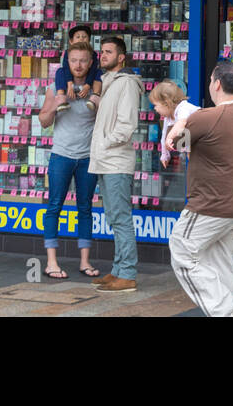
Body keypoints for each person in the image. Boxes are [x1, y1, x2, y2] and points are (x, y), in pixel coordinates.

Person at [165, 60, 233, 317]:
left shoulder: (205, 118)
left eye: (209, 81)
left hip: (209, 206)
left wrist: (177, 125)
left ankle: (227, 313)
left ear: (216, 84)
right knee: (219, 261)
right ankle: (227, 310)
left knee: (182, 251)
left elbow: (178, 146)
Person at [36, 41, 100, 280]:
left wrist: (93, 97)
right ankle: (51, 262)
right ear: (67, 62)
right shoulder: (56, 87)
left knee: (85, 208)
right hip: (61, 155)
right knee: (54, 206)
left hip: (87, 157)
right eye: (74, 60)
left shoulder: (96, 88)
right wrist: (57, 103)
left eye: (83, 60)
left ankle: (85, 261)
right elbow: (43, 121)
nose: (78, 65)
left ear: (90, 62)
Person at [87, 36, 142, 293]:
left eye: (109, 52)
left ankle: (128, 274)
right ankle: (118, 270)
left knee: (121, 219)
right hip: (105, 161)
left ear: (121, 57)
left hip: (116, 161)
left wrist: (106, 143)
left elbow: (127, 125)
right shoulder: (108, 82)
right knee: (113, 217)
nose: (103, 55)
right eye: (102, 51)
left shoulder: (127, 84)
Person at [55, 24, 104, 112]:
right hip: (70, 78)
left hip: (88, 78)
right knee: (60, 71)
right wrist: (70, 85)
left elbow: (92, 70)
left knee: (99, 72)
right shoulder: (67, 52)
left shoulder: (93, 54)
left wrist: (87, 85)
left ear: (89, 40)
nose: (81, 39)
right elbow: (66, 68)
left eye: (84, 37)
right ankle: (61, 98)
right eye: (78, 37)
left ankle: (95, 97)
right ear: (71, 41)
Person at [150, 80, 198, 168]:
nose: (155, 109)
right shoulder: (168, 117)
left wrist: (170, 137)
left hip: (204, 136)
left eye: (156, 105)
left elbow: (182, 122)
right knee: (190, 155)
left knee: (192, 154)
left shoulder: (183, 107)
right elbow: (163, 136)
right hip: (193, 139)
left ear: (166, 103)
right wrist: (165, 155)